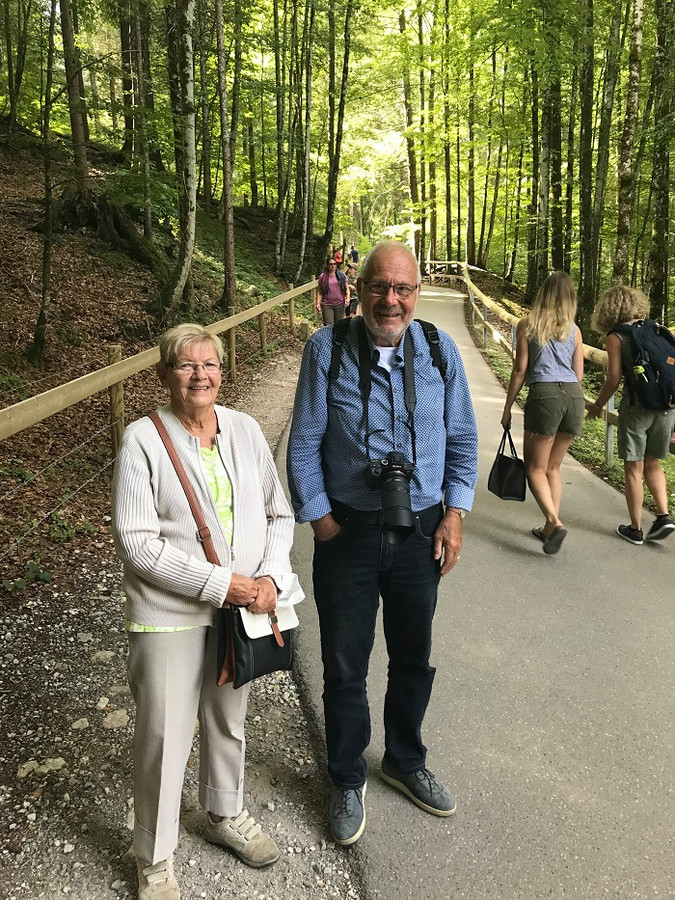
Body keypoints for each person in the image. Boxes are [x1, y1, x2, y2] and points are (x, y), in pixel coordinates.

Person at [287, 241, 478, 846]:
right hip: (347, 531)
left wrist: (454, 514)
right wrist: (321, 520)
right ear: (359, 288)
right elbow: (303, 443)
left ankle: (403, 759)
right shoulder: (326, 349)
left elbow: (463, 439)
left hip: (421, 530)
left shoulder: (441, 351)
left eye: (402, 289)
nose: (390, 300)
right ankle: (346, 776)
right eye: (379, 286)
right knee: (344, 663)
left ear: (416, 294)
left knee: (414, 655)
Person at [112, 323, 301, 899]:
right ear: (165, 374)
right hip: (169, 611)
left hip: (240, 610)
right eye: (186, 365)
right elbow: (137, 543)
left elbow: (279, 513)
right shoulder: (142, 440)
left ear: (222, 371)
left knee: (227, 718)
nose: (200, 375)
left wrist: (270, 577)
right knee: (164, 733)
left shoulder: (245, 429)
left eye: (210, 364)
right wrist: (225, 586)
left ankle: (224, 812)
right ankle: (154, 856)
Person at [500, 271, 585, 554]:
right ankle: (549, 528)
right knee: (553, 468)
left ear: (544, 293)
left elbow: (520, 370)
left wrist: (508, 407)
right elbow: (578, 375)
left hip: (545, 395)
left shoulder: (528, 325)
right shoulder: (574, 330)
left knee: (535, 468)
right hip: (573, 397)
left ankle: (554, 521)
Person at [587, 285, 675, 543]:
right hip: (666, 407)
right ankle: (664, 516)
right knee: (653, 463)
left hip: (636, 408)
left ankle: (635, 529)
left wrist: (598, 405)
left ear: (607, 309)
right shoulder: (656, 328)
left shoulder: (616, 336)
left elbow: (614, 378)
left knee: (633, 467)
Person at [315, 257, 348, 326]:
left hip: (340, 303)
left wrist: (347, 298)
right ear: (327, 265)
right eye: (331, 264)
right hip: (327, 304)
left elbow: (346, 288)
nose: (333, 266)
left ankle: (337, 334)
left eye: (334, 264)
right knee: (328, 325)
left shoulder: (342, 276)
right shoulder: (323, 277)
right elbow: (320, 291)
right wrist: (318, 302)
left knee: (339, 325)